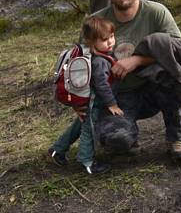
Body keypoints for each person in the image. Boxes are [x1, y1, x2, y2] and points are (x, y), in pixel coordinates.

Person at [92, 0, 181, 161]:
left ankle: (176, 138)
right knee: (116, 141)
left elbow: (179, 51)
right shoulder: (96, 21)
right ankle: (129, 135)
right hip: (117, 96)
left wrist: (136, 60)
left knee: (169, 67)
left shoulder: (156, 12)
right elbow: (83, 64)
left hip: (155, 86)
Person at [48, 16, 124, 174]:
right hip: (93, 103)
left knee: (79, 125)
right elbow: (102, 85)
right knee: (88, 129)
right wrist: (112, 104)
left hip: (91, 101)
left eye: (112, 36)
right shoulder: (99, 62)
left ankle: (57, 150)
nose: (110, 42)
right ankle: (87, 161)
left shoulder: (102, 55)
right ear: (91, 41)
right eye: (105, 39)